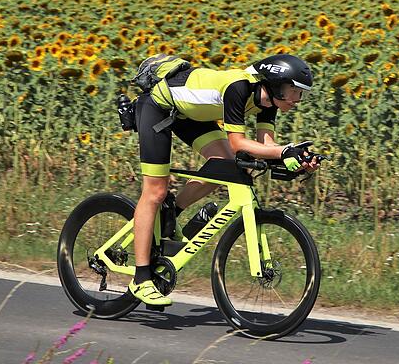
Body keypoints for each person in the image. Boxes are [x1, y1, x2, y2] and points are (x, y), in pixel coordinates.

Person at [128, 54, 320, 306]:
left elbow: (266, 145)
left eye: (300, 94)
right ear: (273, 85)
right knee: (155, 192)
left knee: (225, 168)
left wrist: (296, 158)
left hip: (193, 117)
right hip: (159, 106)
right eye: (292, 91)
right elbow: (238, 143)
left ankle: (170, 214)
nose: (296, 100)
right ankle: (141, 278)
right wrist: (284, 151)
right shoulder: (238, 87)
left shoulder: (269, 102)